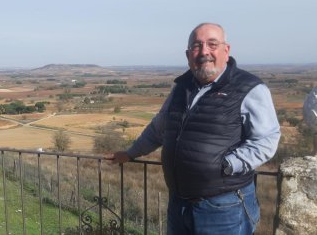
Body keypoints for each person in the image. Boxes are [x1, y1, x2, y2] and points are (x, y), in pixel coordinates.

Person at [109, 23, 281, 234]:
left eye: (212, 44)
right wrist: (130, 153)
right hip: (179, 203)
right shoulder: (182, 87)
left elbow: (266, 140)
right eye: (197, 46)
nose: (204, 52)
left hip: (224, 206)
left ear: (226, 50)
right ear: (188, 54)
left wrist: (227, 165)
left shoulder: (249, 87)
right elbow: (159, 129)